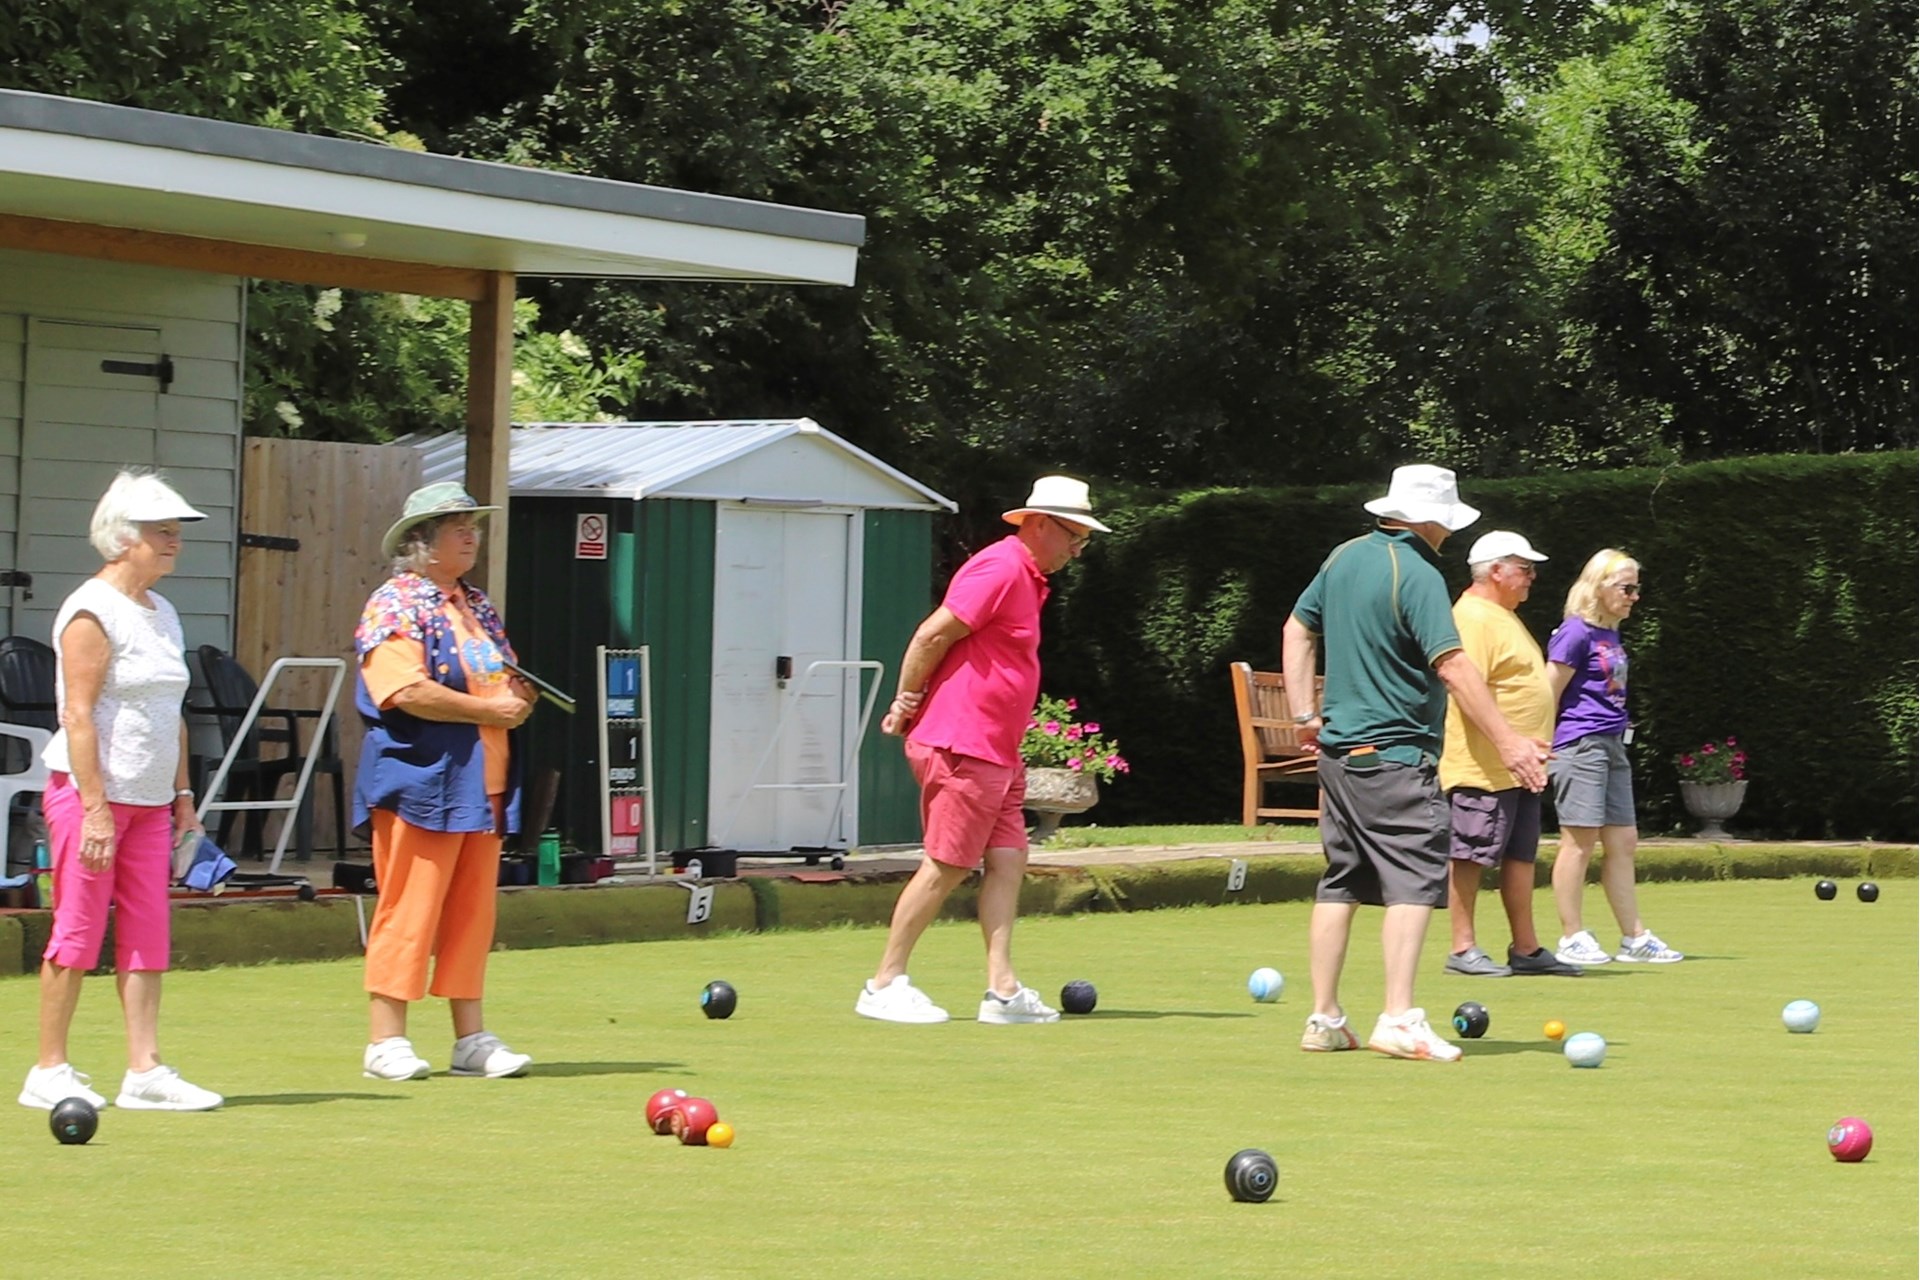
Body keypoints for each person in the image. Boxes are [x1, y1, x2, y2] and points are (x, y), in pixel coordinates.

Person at [1281, 465, 1548, 1062]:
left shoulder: (1344, 556)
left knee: (1341, 880)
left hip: (1339, 756)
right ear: (1430, 519)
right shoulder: (1420, 573)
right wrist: (1508, 741)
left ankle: (1324, 1018)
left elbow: (1297, 628)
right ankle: (1398, 1016)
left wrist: (1306, 714)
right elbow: (1452, 665)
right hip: (1396, 756)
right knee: (1415, 878)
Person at [856, 476, 1108, 1025]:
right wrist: (906, 699)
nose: (1077, 548)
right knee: (946, 865)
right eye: (1074, 535)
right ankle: (883, 983)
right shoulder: (999, 568)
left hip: (997, 750)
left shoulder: (1029, 577)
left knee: (1009, 859)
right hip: (961, 744)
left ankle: (1003, 990)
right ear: (1038, 524)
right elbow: (931, 635)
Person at [19, 470, 223, 1112]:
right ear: (123, 538)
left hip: (153, 802)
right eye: (162, 532)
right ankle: (48, 1068)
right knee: (77, 931)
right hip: (90, 801)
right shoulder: (90, 610)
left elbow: (174, 712)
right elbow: (77, 716)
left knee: (147, 931)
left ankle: (145, 1070)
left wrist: (183, 797)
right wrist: (96, 809)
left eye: (176, 533)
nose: (174, 543)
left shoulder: (163, 612)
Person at [354, 482, 537, 1081]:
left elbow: (503, 674)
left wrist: (520, 696)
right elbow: (402, 691)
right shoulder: (394, 602)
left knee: (471, 914)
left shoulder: (476, 604)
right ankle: (386, 1042)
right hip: (420, 779)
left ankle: (471, 1039)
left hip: (483, 780)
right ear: (420, 542)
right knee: (409, 908)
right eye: (456, 525)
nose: (471, 534)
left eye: (472, 524)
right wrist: (489, 711)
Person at [1439, 531, 1581, 978]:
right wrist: (1507, 742)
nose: (1531, 579)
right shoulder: (1474, 617)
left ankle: (1526, 947)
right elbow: (1465, 686)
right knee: (1470, 853)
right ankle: (1463, 949)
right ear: (1495, 571)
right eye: (1525, 569)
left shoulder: (1502, 615)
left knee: (1520, 854)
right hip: (1482, 764)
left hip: (1521, 765)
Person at [1547, 549, 1683, 966]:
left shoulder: (1609, 634)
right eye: (1626, 587)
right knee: (1579, 843)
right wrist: (1539, 748)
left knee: (1623, 841)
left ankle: (1634, 937)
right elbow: (1546, 693)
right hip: (1580, 744)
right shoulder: (1575, 633)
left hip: (1611, 743)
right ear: (1599, 586)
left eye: (1636, 588)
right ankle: (1572, 936)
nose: (1633, 596)